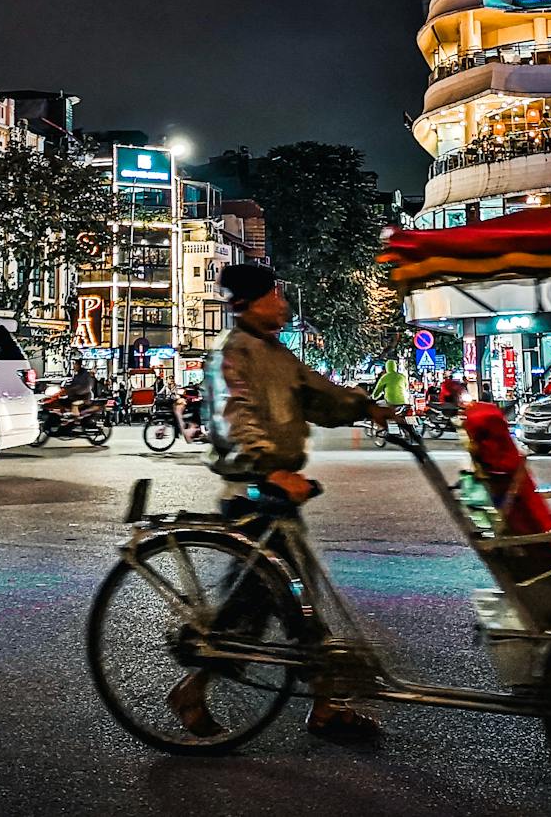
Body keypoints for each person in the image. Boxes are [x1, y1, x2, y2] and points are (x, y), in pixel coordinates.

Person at [182, 263, 393, 743]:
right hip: (253, 498)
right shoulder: (231, 355)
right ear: (249, 303)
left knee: (270, 611)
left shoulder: (277, 353)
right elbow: (234, 418)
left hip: (279, 500)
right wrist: (270, 468)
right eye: (273, 294)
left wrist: (366, 408)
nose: (282, 302)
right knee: (281, 610)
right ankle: (318, 706)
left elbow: (317, 394)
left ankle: (318, 703)